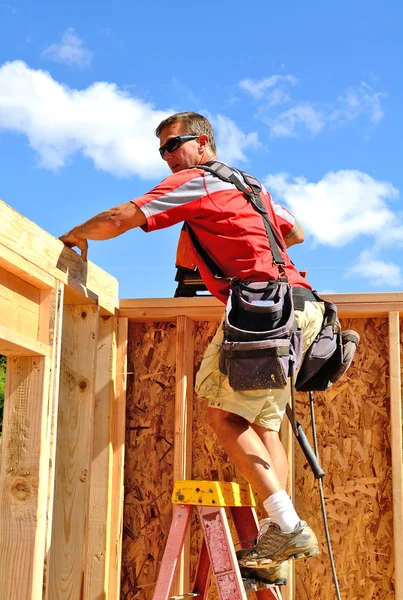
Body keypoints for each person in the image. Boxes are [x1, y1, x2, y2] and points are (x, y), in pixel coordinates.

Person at [60, 112, 324, 585]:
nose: (166, 159)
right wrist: (216, 235)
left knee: (223, 418)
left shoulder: (198, 180)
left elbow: (123, 217)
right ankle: (275, 537)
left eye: (171, 146)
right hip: (302, 307)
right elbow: (296, 233)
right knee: (264, 426)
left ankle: (287, 526)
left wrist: (74, 236)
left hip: (263, 310)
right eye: (160, 151)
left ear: (203, 143)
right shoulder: (248, 186)